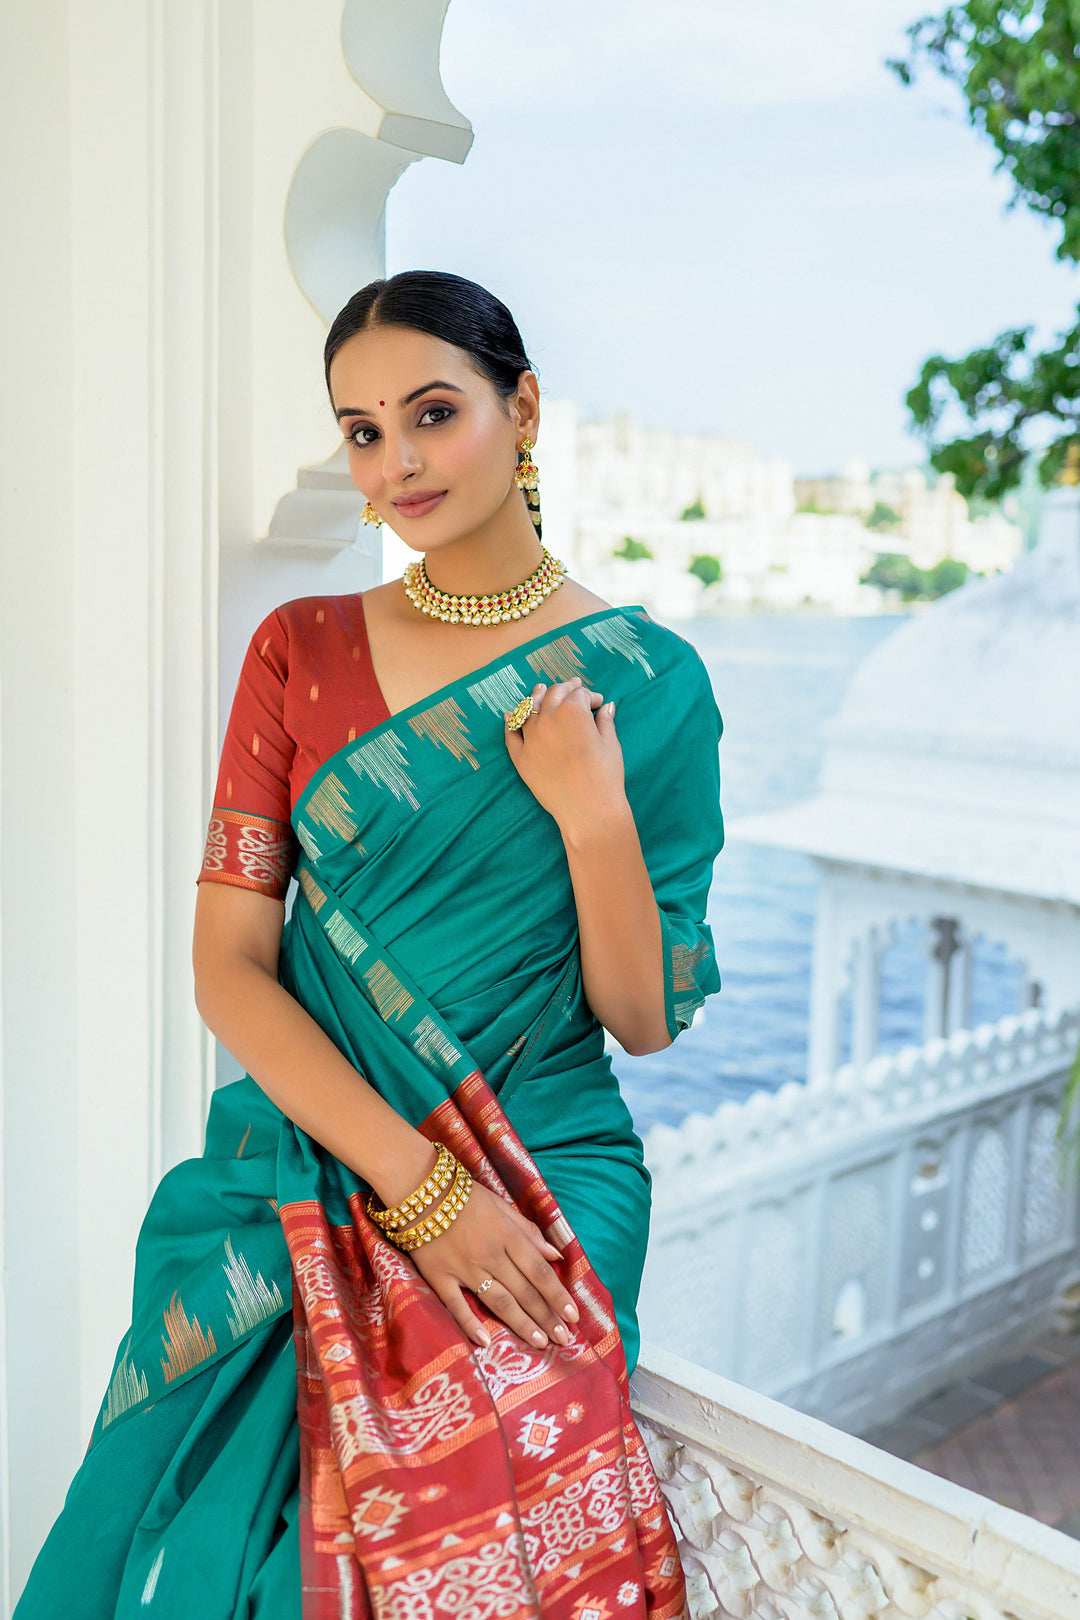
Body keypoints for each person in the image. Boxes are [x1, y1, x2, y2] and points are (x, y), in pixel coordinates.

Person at [15, 270, 724, 1619]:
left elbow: (640, 1015)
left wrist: (593, 815)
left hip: (541, 1186)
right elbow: (228, 961)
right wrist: (418, 1186)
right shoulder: (302, 652)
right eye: (360, 429)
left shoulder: (652, 682)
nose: (395, 460)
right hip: (320, 1157)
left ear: (523, 411)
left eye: (433, 412)